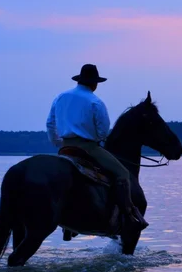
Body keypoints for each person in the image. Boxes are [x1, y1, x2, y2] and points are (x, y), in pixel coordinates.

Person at [46, 63, 149, 233]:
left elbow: (50, 123)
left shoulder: (60, 97)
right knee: (123, 174)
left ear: (79, 80)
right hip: (88, 147)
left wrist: (58, 142)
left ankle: (68, 227)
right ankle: (128, 215)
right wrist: (98, 140)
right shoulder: (95, 101)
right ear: (94, 83)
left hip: (65, 147)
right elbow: (102, 130)